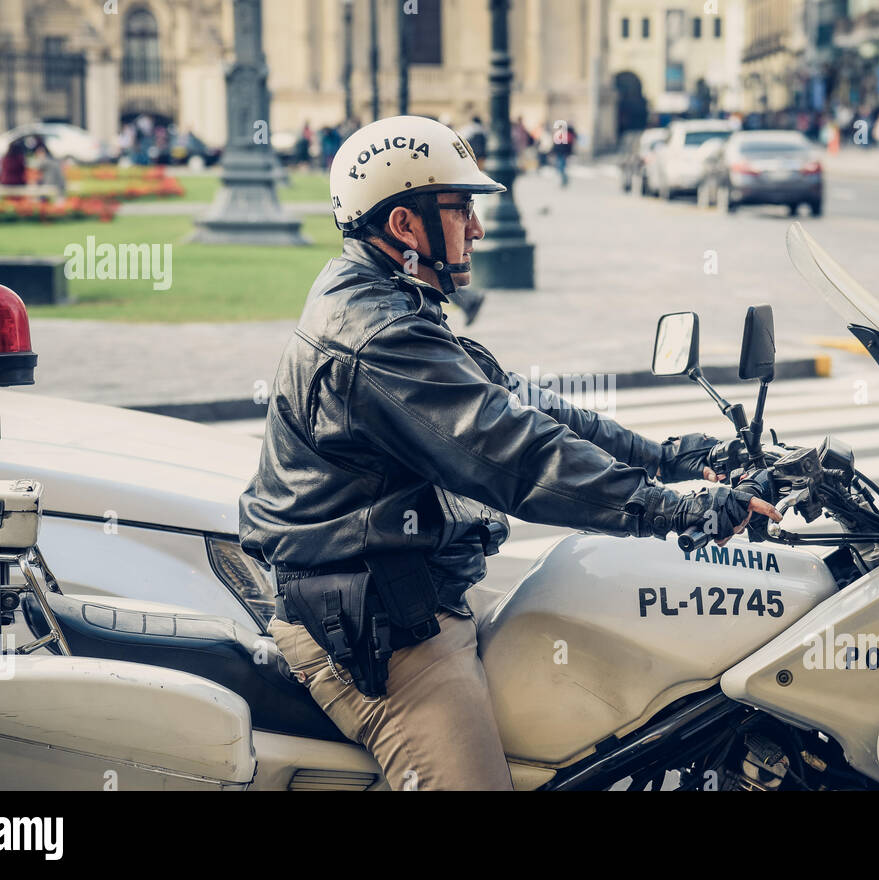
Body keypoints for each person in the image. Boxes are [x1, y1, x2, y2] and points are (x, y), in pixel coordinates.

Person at [238, 115, 781, 791]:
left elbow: (524, 406)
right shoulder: (378, 337)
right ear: (405, 226)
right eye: (461, 208)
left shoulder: (390, 297)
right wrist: (677, 511)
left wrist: (674, 458)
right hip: (384, 636)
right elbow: (517, 456)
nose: (478, 228)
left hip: (412, 586)